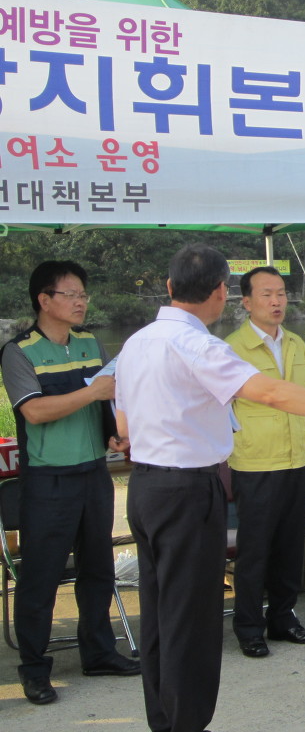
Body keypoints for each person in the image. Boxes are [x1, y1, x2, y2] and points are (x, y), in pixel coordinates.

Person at [115, 244, 305, 732]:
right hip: (187, 491)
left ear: (169, 287)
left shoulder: (137, 342)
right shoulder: (199, 345)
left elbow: (122, 423)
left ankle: (165, 720)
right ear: (222, 292)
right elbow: (267, 391)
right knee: (192, 619)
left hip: (145, 487)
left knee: (162, 613)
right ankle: (185, 724)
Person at [0, 261, 140, 706]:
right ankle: (34, 669)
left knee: (98, 569)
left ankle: (98, 653)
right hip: (48, 479)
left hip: (93, 472)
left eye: (83, 294)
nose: (81, 302)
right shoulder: (19, 352)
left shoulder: (88, 342)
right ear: (44, 300)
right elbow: (35, 411)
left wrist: (114, 432)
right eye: (71, 294)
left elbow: (106, 399)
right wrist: (93, 392)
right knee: (40, 578)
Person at [226, 266, 305, 658]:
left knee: (290, 546)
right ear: (246, 302)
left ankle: (283, 618)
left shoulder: (296, 343)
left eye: (281, 293)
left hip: (295, 458)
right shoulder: (232, 348)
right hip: (255, 462)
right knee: (255, 550)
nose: (276, 301)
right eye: (266, 294)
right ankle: (249, 627)